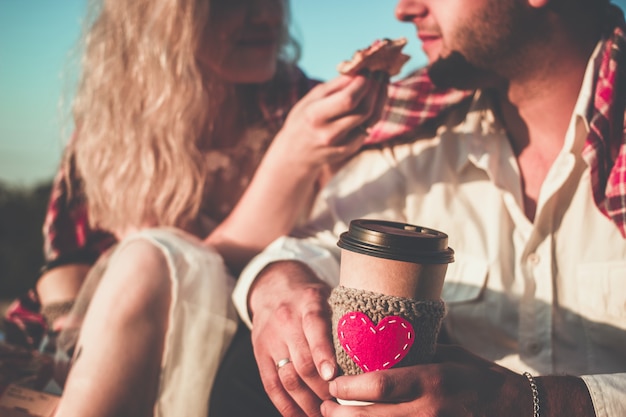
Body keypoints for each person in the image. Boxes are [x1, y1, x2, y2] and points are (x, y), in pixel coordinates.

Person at [218, 0, 626, 416]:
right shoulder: (420, 144)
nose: (404, 9)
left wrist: (538, 403)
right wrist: (277, 286)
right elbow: (315, 243)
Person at [32, 0, 393, 415]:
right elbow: (112, 265)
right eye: (228, 3)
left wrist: (295, 152)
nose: (265, 17)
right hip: (129, 347)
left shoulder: (307, 104)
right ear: (161, 17)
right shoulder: (116, 125)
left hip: (252, 351)